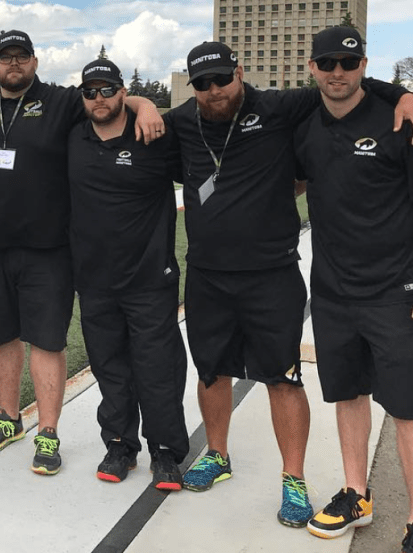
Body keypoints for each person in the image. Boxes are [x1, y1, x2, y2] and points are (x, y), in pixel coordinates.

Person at [165, 40, 413, 527]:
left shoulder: (278, 107)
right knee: (211, 371)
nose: (214, 90)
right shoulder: (181, 122)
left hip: (273, 273)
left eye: (222, 79)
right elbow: (121, 113)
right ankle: (217, 454)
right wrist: (135, 102)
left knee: (282, 376)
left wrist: (402, 93)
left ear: (240, 72)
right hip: (208, 274)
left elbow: (343, 85)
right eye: (203, 83)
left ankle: (293, 478)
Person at [0, 30, 163, 476]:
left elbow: (106, 98)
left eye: (22, 56)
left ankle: (48, 432)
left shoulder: (60, 101)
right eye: (6, 57)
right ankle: (8, 417)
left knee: (47, 339)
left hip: (48, 248)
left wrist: (145, 105)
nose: (14, 63)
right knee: (1, 336)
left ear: (35, 61)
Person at [294, 26, 413, 551]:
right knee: (348, 392)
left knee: (407, 406)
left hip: (395, 289)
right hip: (332, 290)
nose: (337, 72)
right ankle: (356, 494)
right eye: (327, 63)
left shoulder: (398, 119)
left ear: (364, 64)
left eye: (348, 62)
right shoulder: (305, 126)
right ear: (313, 67)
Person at [67, 60, 189, 490]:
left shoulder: (153, 134)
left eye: (108, 89)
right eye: (90, 91)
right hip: (94, 279)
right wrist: (142, 101)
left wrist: (146, 105)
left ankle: (166, 450)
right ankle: (120, 444)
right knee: (109, 367)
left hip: (149, 277)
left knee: (157, 367)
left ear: (122, 92)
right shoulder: (73, 136)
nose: (98, 98)